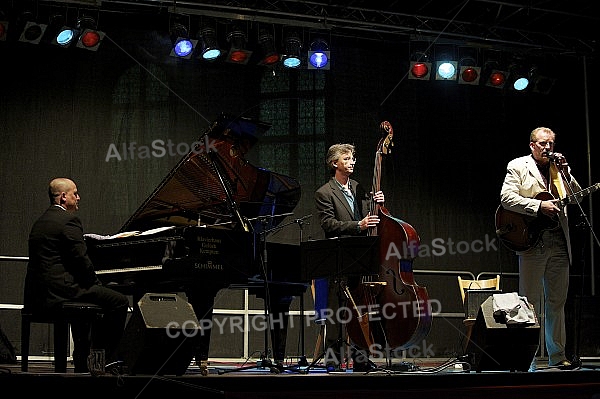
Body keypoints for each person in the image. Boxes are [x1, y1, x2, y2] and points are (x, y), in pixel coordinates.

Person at [24, 178, 129, 373]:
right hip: (63, 290)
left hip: (43, 292)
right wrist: (97, 284)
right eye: (75, 193)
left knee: (92, 300)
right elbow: (82, 261)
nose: (78, 197)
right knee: (119, 301)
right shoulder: (69, 220)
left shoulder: (41, 221)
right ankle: (107, 359)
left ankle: (83, 357)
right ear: (63, 197)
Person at [500, 127, 582, 370]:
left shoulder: (559, 170)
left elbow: (576, 197)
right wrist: (538, 206)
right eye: (543, 143)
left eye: (551, 144)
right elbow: (506, 198)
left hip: (558, 242)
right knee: (530, 303)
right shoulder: (517, 166)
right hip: (533, 242)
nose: (548, 148)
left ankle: (558, 356)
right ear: (532, 145)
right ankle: (530, 359)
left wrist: (567, 173)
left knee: (557, 301)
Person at [314, 143, 384, 372]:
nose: (352, 162)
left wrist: (378, 204)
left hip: (361, 257)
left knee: (360, 311)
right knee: (337, 311)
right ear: (335, 163)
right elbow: (329, 224)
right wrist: (358, 225)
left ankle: (362, 360)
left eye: (353, 158)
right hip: (339, 257)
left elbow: (371, 216)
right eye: (347, 158)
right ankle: (333, 362)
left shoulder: (359, 187)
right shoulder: (325, 192)